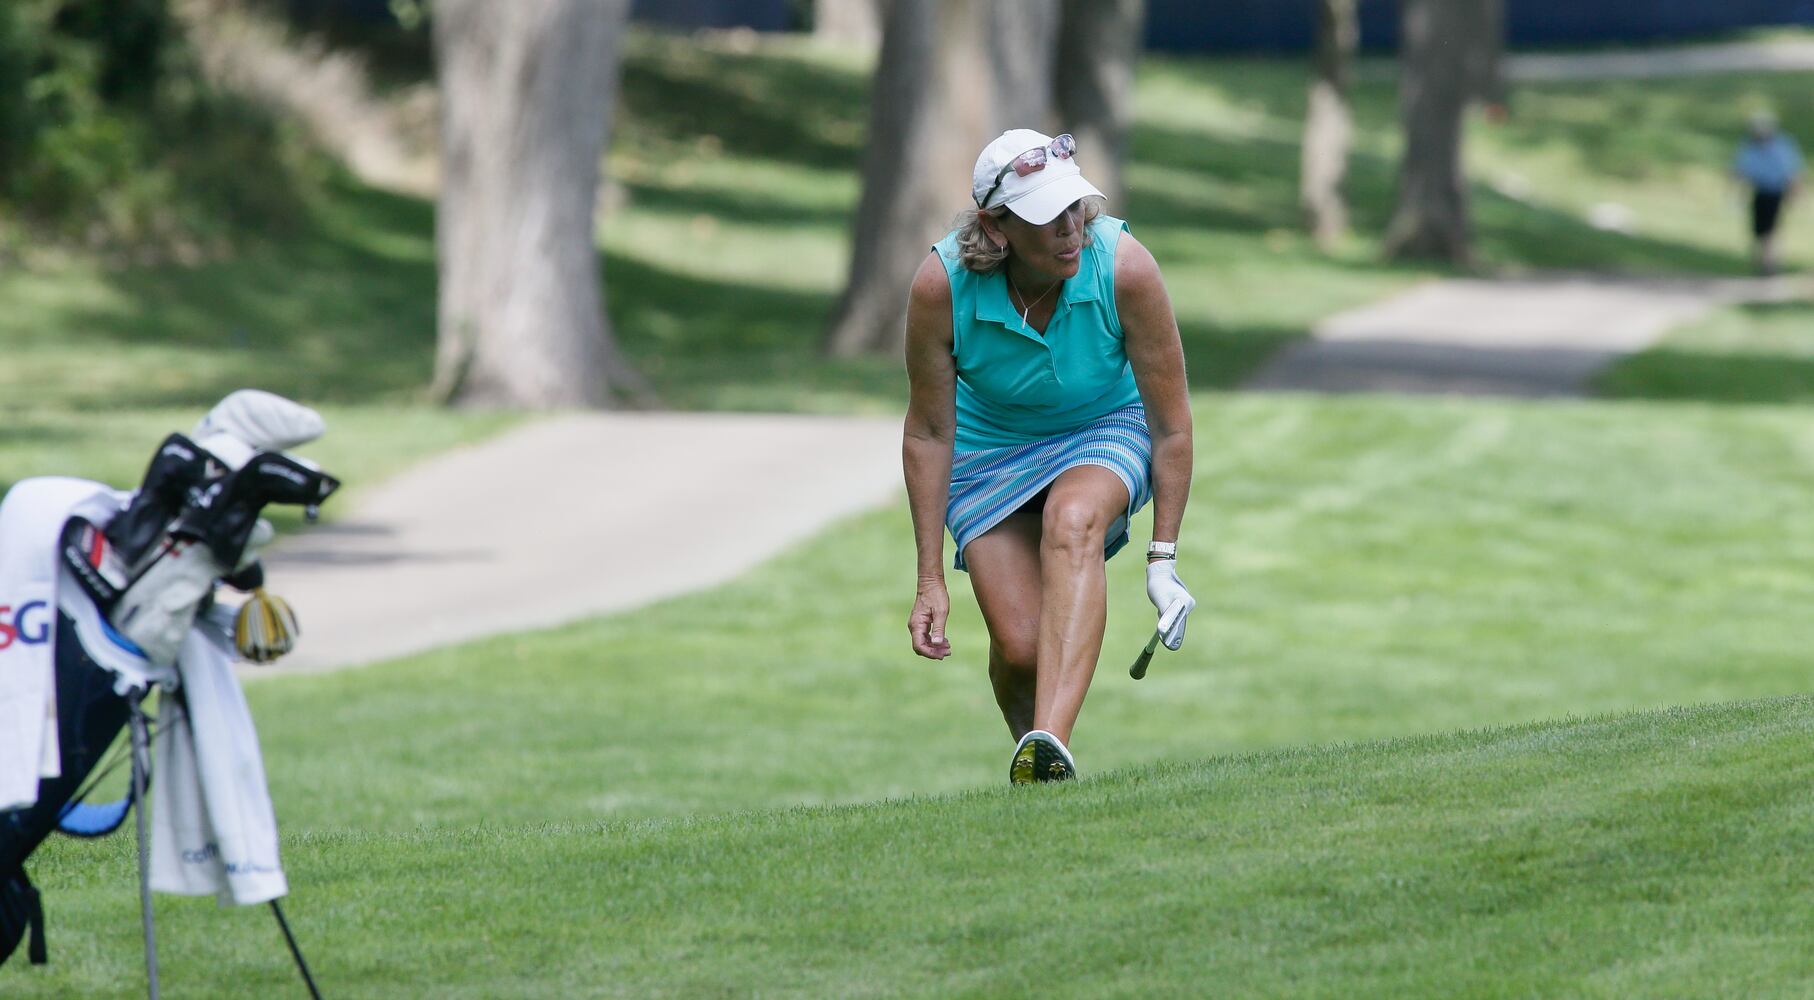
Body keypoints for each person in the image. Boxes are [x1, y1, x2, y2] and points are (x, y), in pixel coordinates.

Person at [902, 129, 1195, 785]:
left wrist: (1164, 560)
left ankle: (1050, 740)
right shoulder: (940, 285)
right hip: (989, 447)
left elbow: (1172, 426)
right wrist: (929, 580)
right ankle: (1039, 772)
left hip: (1104, 424)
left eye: (1075, 209)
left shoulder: (1124, 266)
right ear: (996, 226)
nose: (1070, 230)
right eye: (1046, 217)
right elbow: (927, 432)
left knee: (1074, 520)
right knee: (1022, 649)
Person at [1733, 111, 1803, 276]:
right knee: (1758, 230)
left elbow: (1791, 171)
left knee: (1771, 230)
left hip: (1776, 192)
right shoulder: (1749, 147)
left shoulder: (1782, 146)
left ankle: (1770, 265)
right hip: (1759, 191)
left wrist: (1795, 192)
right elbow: (1741, 170)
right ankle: (1763, 262)